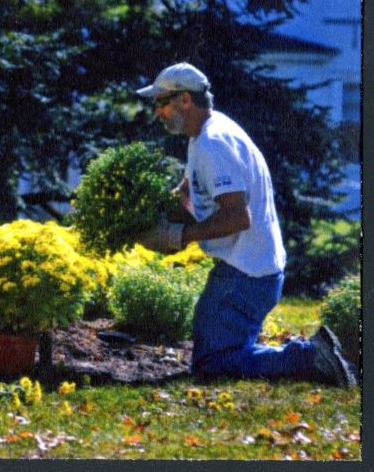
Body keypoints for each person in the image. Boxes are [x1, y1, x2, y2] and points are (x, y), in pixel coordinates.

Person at [135, 62, 356, 386]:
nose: (157, 112)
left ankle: (310, 357)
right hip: (248, 268)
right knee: (217, 354)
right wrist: (148, 211)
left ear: (185, 100)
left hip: (246, 274)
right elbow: (188, 190)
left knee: (213, 365)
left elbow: (237, 217)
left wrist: (179, 236)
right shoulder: (203, 135)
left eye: (161, 102)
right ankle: (308, 355)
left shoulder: (214, 143)